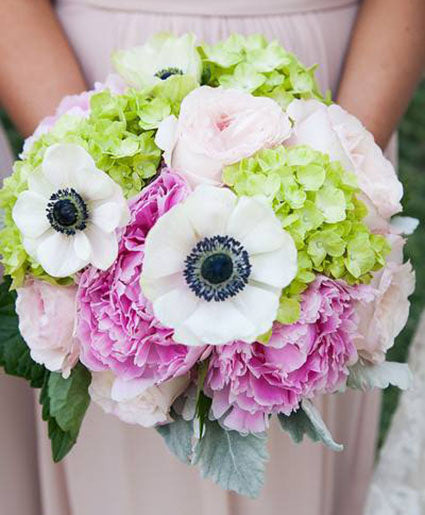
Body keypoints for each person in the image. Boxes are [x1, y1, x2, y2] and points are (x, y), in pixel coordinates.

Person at [0, 1, 423, 514]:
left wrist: (342, 166)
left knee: (290, 378)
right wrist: (86, 175)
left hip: (332, 90)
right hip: (91, 72)